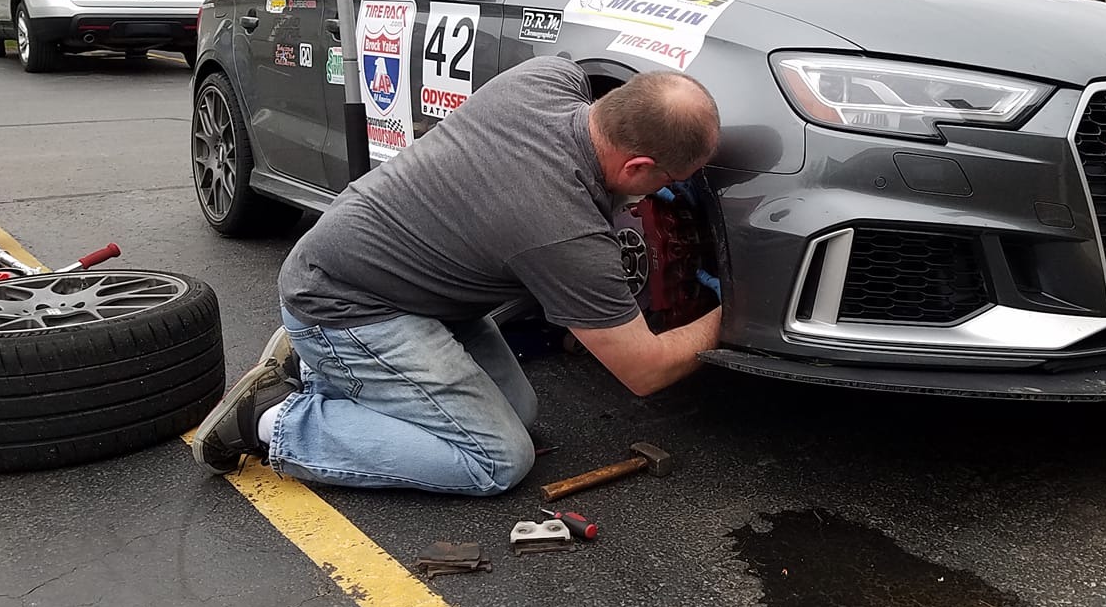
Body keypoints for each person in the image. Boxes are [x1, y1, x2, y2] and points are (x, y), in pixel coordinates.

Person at [191, 56, 723, 494]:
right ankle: (271, 422)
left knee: (521, 410)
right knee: (497, 459)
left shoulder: (544, 78)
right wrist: (739, 316)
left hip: (390, 277)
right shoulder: (563, 229)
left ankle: (317, 368)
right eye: (671, 179)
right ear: (637, 168)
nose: (665, 191)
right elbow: (644, 369)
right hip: (346, 303)